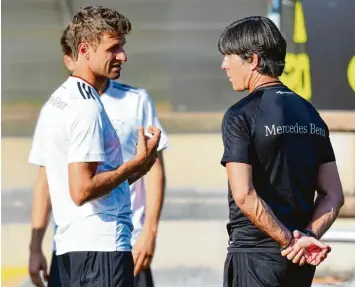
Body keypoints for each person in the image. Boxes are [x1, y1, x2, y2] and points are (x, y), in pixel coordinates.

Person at [28, 6, 162, 287]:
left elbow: (91, 182)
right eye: (113, 49)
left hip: (74, 248)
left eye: (122, 47)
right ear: (85, 49)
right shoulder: (85, 107)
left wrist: (141, 167)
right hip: (100, 252)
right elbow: (81, 190)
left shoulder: (60, 98)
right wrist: (133, 165)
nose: (123, 56)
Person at [218, 16, 344, 287]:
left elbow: (244, 195)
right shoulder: (311, 114)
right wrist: (306, 237)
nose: (224, 65)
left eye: (228, 57)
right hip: (299, 260)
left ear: (252, 60)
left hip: (254, 255)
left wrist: (289, 241)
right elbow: (334, 195)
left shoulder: (239, 115)